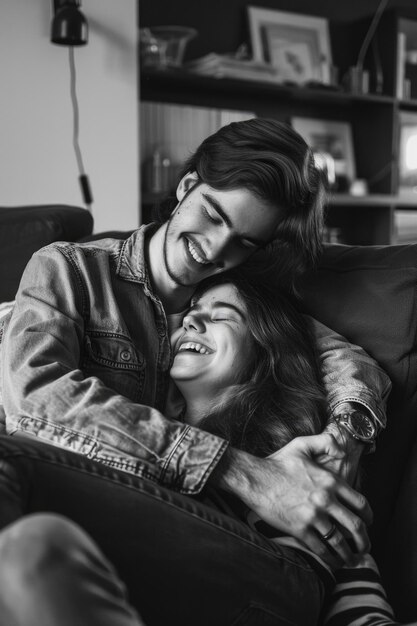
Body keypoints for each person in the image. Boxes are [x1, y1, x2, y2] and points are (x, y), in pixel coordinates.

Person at [0, 119, 390, 567]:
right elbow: (35, 400)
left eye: (243, 241)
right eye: (213, 215)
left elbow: (343, 359)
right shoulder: (70, 270)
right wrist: (244, 472)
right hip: (55, 493)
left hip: (154, 530)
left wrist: (345, 437)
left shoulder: (233, 293)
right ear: (187, 187)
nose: (214, 250)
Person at [0, 270, 396, 625]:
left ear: (267, 349)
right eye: (189, 314)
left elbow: (348, 556)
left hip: (277, 585)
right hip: (165, 581)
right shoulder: (147, 429)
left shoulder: (291, 444)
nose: (192, 319)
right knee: (31, 549)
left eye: (222, 316)